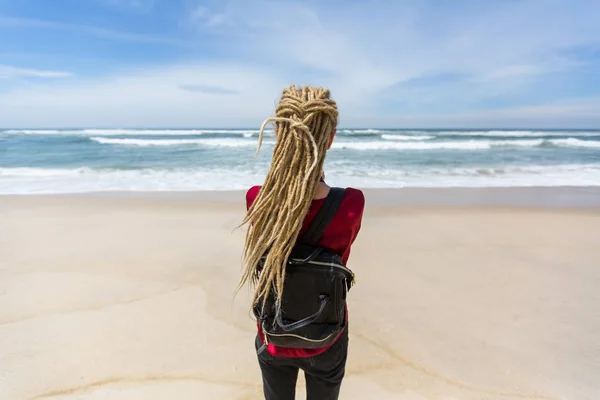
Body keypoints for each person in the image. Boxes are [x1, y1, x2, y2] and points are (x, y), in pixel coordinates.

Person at [238, 85, 365, 400]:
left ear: (279, 132)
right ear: (330, 138)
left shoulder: (257, 199)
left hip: (273, 330)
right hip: (326, 330)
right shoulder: (351, 203)